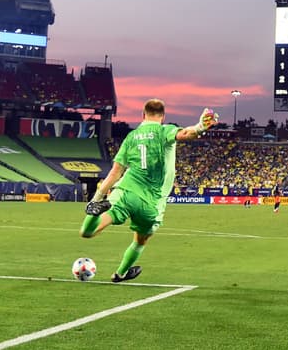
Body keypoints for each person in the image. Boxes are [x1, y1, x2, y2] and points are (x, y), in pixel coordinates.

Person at [80, 99, 218, 283]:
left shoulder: (131, 137)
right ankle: (120, 273)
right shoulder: (164, 130)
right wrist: (200, 126)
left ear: (142, 115)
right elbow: (185, 134)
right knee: (141, 240)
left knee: (89, 231)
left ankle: (94, 213)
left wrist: (96, 198)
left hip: (126, 191)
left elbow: (115, 172)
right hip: (152, 202)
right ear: (163, 116)